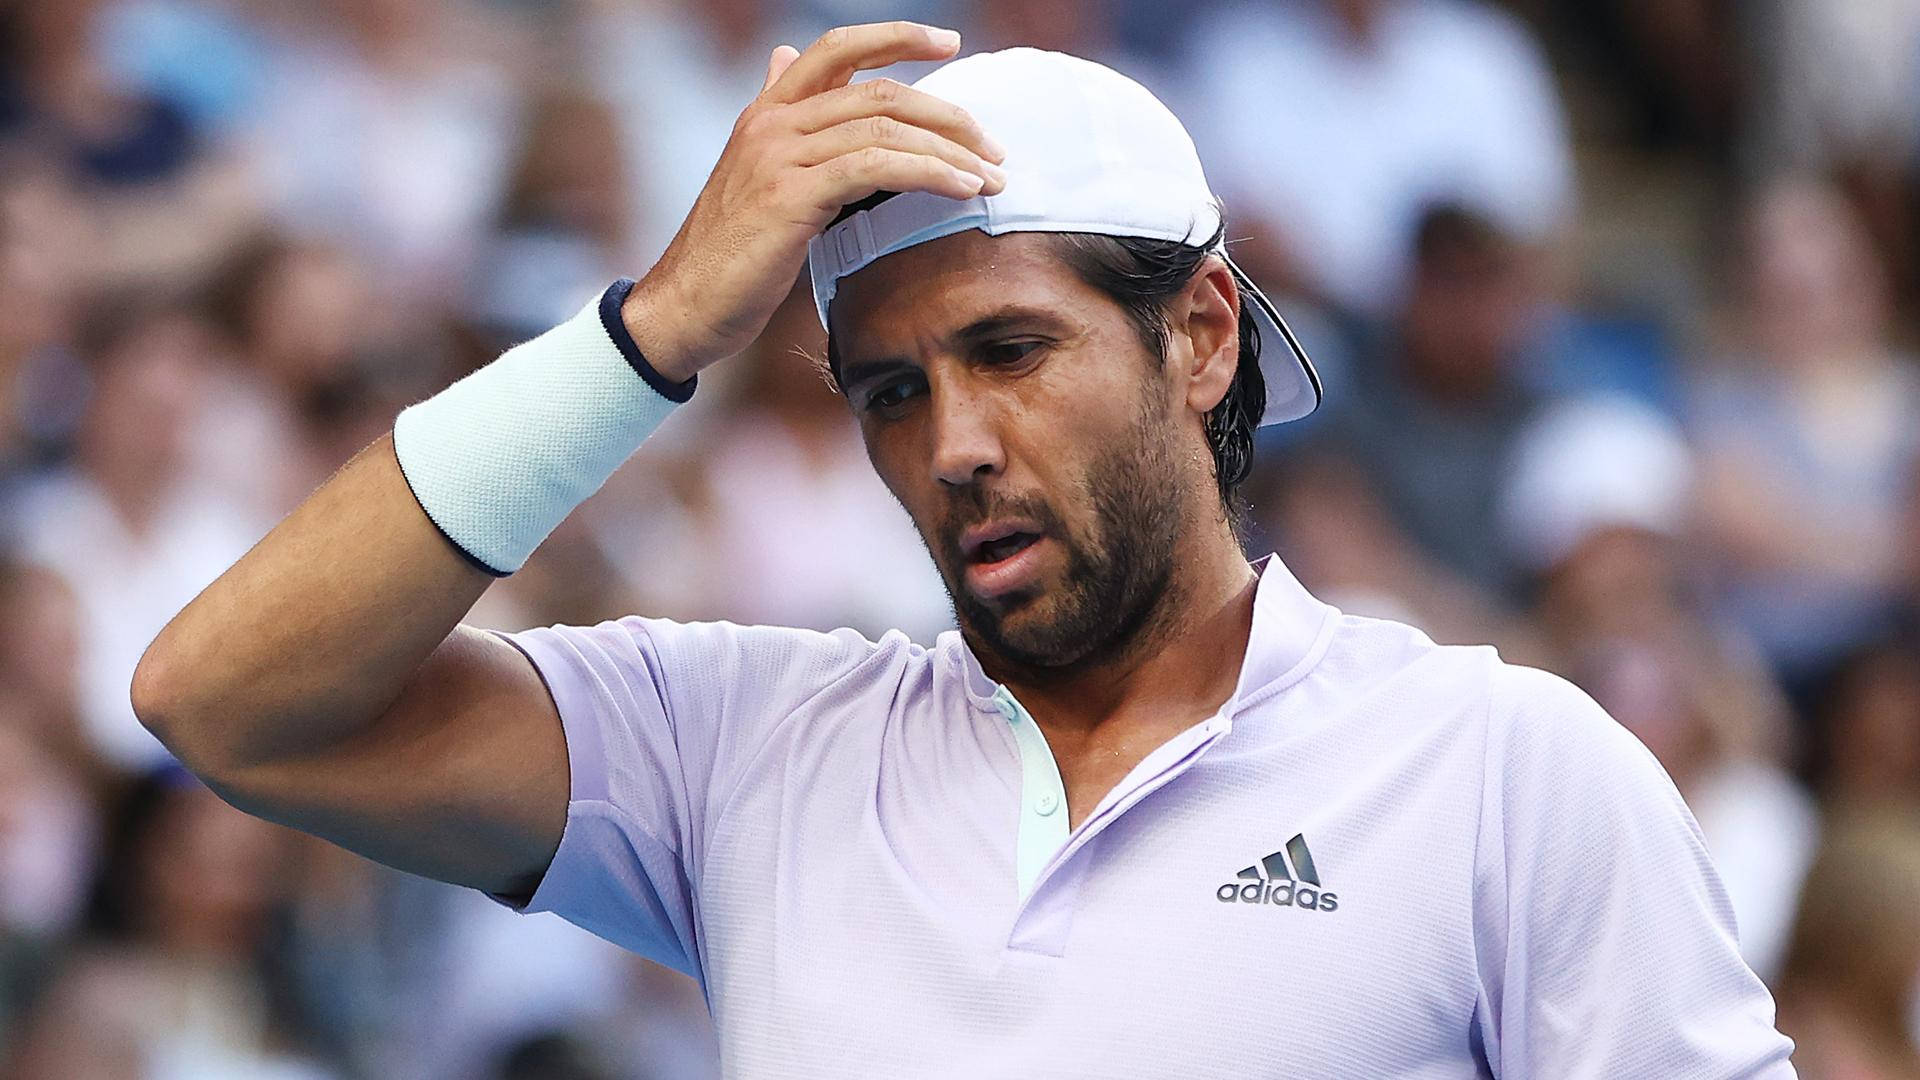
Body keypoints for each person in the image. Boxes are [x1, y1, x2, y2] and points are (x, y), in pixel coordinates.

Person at [134, 22, 1794, 1076]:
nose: (952, 446)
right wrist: (647, 335)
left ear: (1201, 336)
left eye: (1009, 352)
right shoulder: (743, 749)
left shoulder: (1508, 772)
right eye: (888, 391)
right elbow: (226, 700)